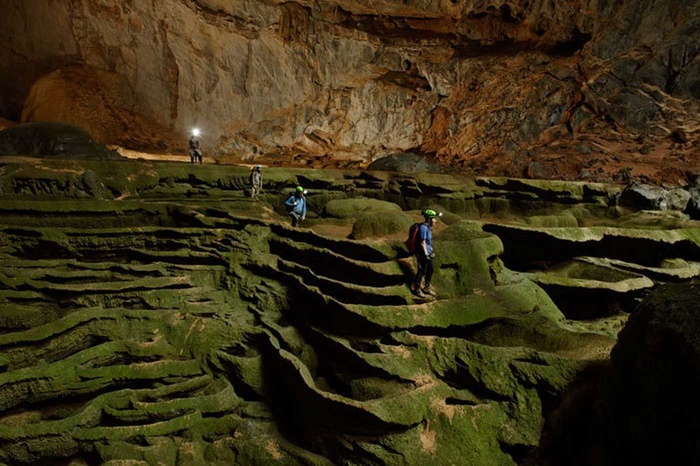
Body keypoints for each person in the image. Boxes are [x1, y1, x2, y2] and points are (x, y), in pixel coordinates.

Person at [411, 209, 441, 298]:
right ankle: (417, 289)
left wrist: (430, 250)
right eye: (434, 219)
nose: (435, 221)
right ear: (429, 219)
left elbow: (428, 242)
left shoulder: (428, 227)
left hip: (428, 252)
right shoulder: (423, 228)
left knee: (430, 270)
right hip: (422, 253)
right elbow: (422, 242)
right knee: (421, 271)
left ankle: (427, 288)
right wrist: (426, 254)